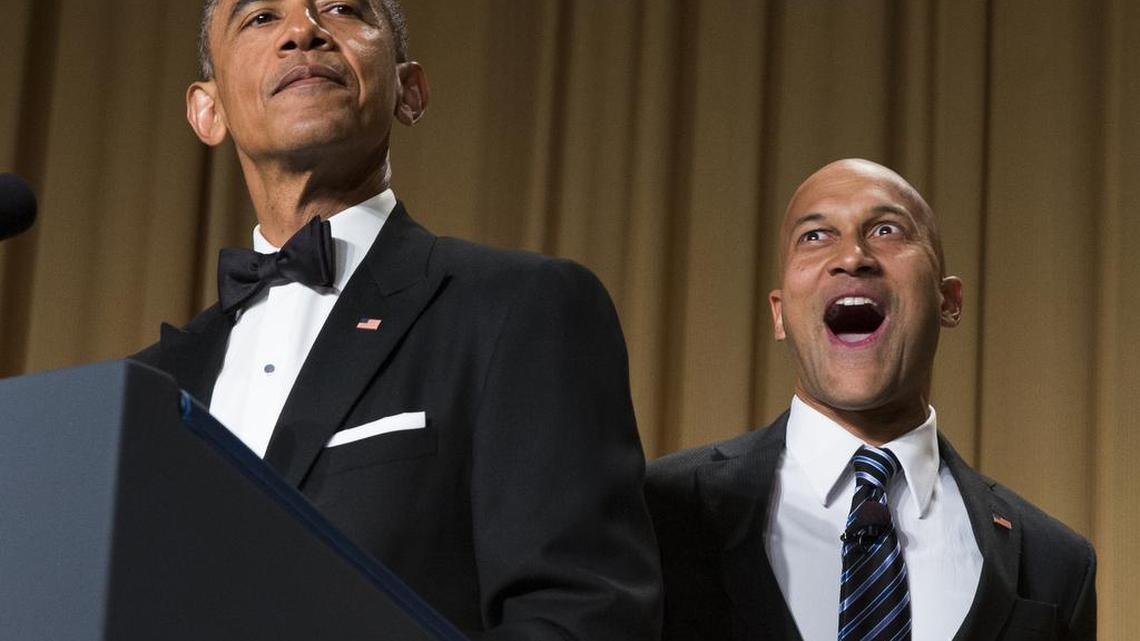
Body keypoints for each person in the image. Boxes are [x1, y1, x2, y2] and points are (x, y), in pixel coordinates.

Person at [133, 1, 662, 639]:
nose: (304, 30)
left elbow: (581, 615)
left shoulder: (523, 308)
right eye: (261, 18)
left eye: (342, 9)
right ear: (206, 110)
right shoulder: (148, 389)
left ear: (409, 91)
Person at [645, 159, 1095, 641]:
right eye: (816, 236)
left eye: (886, 229)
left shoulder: (1056, 563)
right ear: (780, 315)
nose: (853, 256)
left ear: (949, 301)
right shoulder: (656, 512)